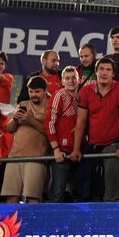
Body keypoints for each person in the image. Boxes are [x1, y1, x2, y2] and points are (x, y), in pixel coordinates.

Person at [71, 58, 119, 202]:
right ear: (96, 72)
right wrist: (76, 149)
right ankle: (84, 205)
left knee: (113, 163)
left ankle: (112, 203)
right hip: (92, 144)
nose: (104, 73)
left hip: (114, 143)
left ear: (113, 74)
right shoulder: (85, 91)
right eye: (102, 69)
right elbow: (80, 122)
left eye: (108, 70)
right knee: (81, 171)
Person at [1, 76, 50, 203]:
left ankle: (34, 223)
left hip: (36, 158)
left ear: (45, 91)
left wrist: (31, 121)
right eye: (31, 91)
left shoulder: (51, 106)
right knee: (11, 197)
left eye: (37, 91)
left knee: (33, 198)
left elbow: (51, 133)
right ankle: (9, 223)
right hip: (15, 156)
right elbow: (10, 129)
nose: (33, 95)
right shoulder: (23, 104)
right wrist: (15, 119)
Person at [44, 66, 80, 203]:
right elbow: (49, 123)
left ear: (78, 80)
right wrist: (56, 150)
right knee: (57, 193)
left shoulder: (81, 98)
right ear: (62, 81)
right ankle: (52, 223)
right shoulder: (59, 95)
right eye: (67, 78)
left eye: (73, 78)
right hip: (61, 153)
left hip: (77, 153)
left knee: (76, 194)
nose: (71, 81)